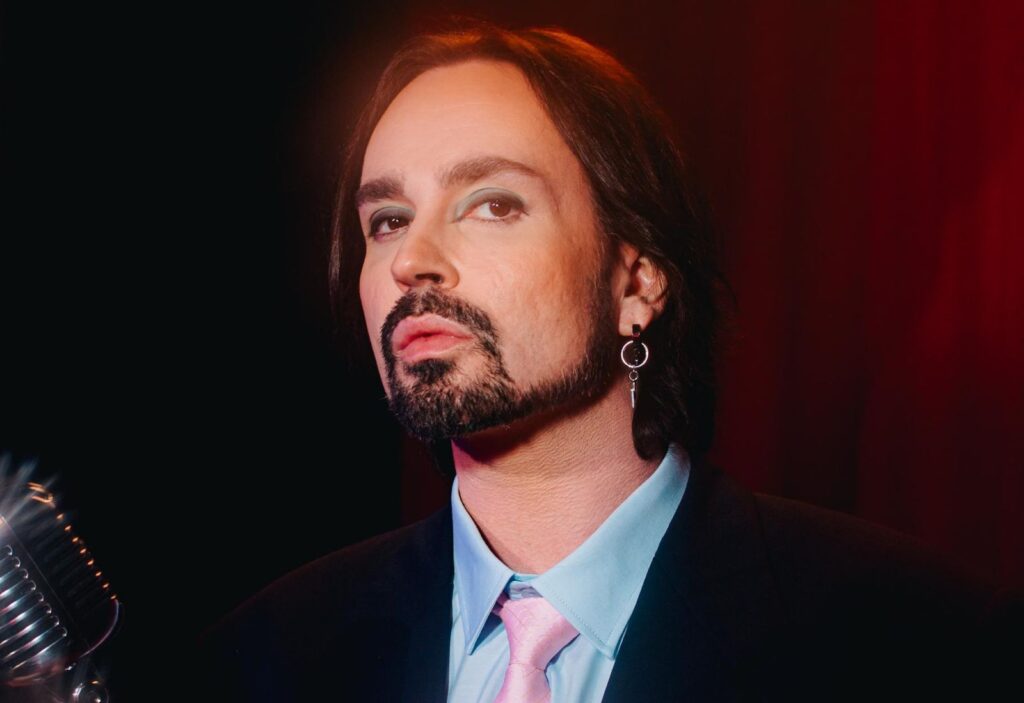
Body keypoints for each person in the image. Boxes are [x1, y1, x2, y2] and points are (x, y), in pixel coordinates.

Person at [198, 20, 1012, 701]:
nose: (412, 259)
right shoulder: (261, 658)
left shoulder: (923, 644)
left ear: (637, 281)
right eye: (387, 219)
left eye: (492, 204)